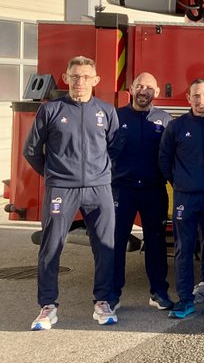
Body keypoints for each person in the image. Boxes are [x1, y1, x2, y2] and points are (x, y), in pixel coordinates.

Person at [26, 56, 121, 329]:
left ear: (96, 80)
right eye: (75, 76)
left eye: (86, 77)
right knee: (51, 247)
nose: (80, 82)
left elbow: (115, 148)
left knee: (105, 248)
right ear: (66, 78)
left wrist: (100, 175)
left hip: (98, 189)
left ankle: (103, 302)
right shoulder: (51, 110)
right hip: (61, 189)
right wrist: (54, 175)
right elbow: (32, 150)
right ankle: (47, 307)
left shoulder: (106, 111)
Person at [158, 78, 204, 319]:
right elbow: (164, 160)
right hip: (185, 198)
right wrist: (178, 183)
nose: (200, 101)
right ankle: (185, 300)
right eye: (195, 96)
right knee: (183, 249)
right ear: (188, 98)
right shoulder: (176, 127)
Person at [110, 71, 174, 311]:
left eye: (149, 87)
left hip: (153, 190)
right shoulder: (116, 117)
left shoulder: (164, 120)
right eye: (139, 85)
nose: (143, 90)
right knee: (115, 243)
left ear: (156, 92)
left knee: (156, 243)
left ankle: (158, 292)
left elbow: (170, 155)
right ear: (132, 89)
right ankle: (112, 294)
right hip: (121, 190)